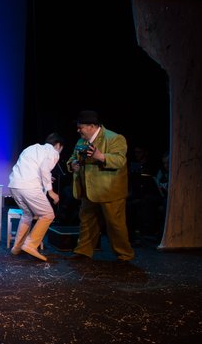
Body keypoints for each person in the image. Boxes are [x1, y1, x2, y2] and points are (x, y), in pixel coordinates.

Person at [67, 110, 134, 261]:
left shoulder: (114, 138)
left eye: (80, 127)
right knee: (87, 221)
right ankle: (83, 251)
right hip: (88, 190)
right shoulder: (81, 141)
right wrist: (72, 164)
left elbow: (120, 160)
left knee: (115, 225)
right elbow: (72, 158)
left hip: (109, 191)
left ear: (91, 126)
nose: (78, 130)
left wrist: (100, 156)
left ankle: (124, 254)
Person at [8, 133, 64, 261]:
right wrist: (51, 191)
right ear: (58, 145)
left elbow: (30, 168)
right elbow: (44, 169)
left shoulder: (32, 148)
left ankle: (17, 247)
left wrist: (46, 179)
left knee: (27, 215)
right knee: (48, 215)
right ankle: (31, 244)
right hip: (29, 187)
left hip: (14, 185)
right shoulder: (53, 152)